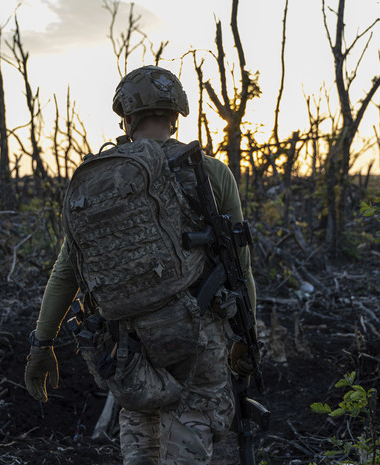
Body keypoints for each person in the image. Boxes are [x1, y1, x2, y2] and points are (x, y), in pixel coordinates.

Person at [24, 65, 257, 465]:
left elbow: (67, 271)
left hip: (127, 341)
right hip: (198, 335)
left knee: (142, 443)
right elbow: (241, 264)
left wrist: (41, 344)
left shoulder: (101, 179)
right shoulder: (211, 172)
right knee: (192, 434)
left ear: (126, 119)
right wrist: (246, 337)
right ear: (176, 116)